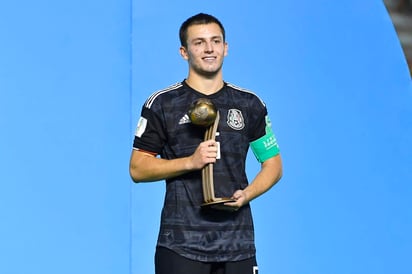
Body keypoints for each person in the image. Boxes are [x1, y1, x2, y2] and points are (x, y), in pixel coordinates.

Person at [129, 13, 283, 274]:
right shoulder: (163, 103)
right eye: (199, 42)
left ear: (226, 48)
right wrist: (190, 162)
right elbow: (138, 168)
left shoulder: (250, 104)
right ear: (184, 52)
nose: (209, 48)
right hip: (180, 245)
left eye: (215, 41)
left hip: (239, 245)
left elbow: (273, 165)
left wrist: (248, 194)